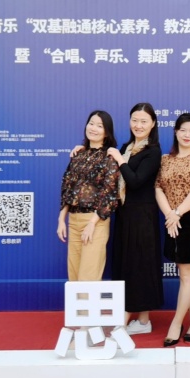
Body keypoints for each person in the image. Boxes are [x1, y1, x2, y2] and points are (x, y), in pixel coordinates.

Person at [155, 112, 190, 347]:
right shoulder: (166, 159)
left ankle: (176, 323)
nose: (187, 135)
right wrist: (169, 214)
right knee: (186, 274)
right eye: (183, 130)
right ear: (176, 131)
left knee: (187, 275)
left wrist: (177, 213)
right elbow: (158, 187)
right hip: (171, 219)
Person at [108, 103, 164, 334]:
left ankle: (124, 320)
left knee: (139, 265)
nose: (138, 125)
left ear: (153, 124)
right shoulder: (127, 147)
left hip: (142, 216)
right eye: (134, 120)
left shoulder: (153, 151)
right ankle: (143, 321)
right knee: (128, 264)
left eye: (143, 121)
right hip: (124, 214)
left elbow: (136, 181)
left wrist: (120, 160)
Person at [57, 110, 120, 283]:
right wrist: (61, 219)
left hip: (95, 221)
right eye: (91, 123)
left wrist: (92, 223)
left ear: (106, 132)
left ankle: (88, 306)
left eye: (99, 126)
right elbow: (68, 188)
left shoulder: (109, 157)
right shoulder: (78, 155)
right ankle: (78, 306)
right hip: (73, 220)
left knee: (88, 278)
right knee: (74, 277)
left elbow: (109, 193)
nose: (93, 128)